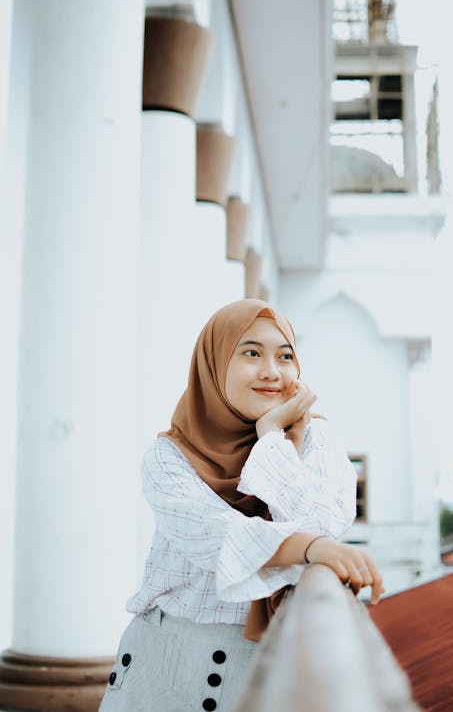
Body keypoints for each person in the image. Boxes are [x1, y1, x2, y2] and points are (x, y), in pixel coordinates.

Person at [99, 299, 383, 712]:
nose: (272, 371)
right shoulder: (168, 456)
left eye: (285, 356)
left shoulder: (317, 439)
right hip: (162, 666)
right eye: (251, 353)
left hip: (264, 670)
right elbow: (217, 538)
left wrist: (272, 439)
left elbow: (328, 523)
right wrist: (308, 548)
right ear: (213, 364)